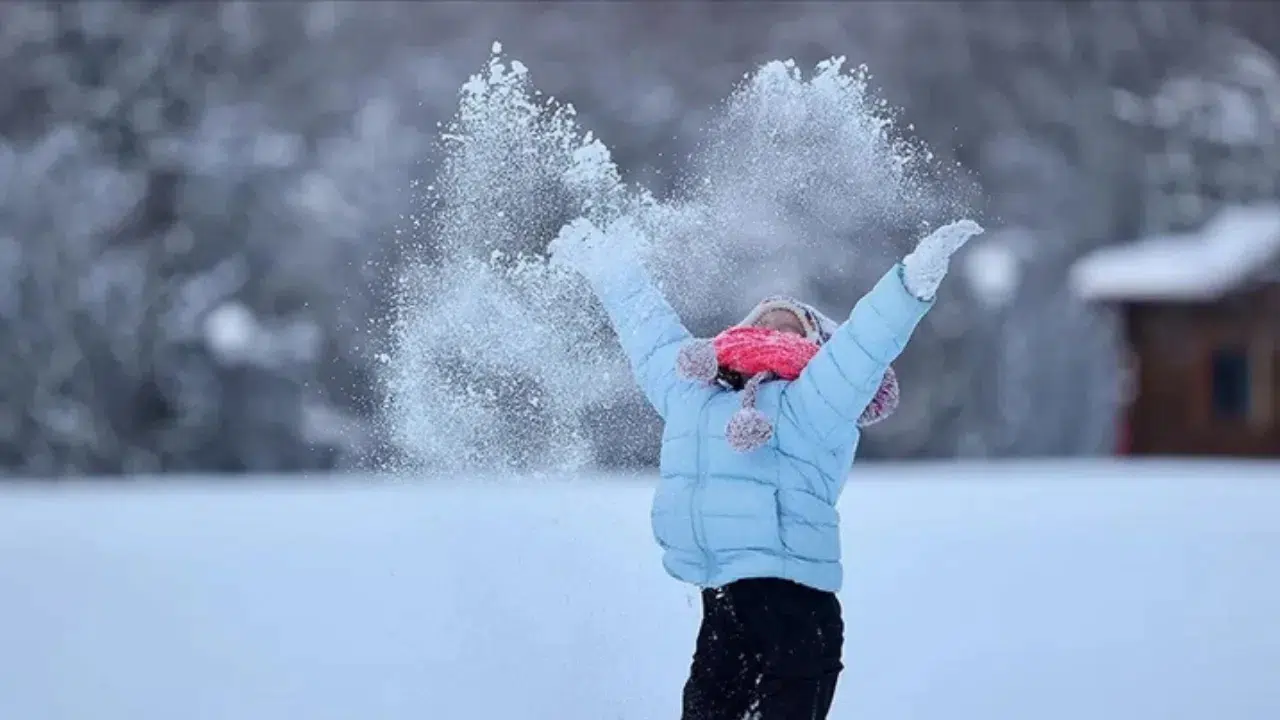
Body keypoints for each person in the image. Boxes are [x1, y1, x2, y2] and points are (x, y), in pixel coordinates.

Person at [550, 213, 983, 720]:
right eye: (763, 320)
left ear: (819, 347)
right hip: (723, 607)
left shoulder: (817, 399)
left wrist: (910, 283)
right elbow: (649, 333)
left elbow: (865, 344)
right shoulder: (693, 392)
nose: (774, 325)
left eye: (792, 324)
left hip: (798, 613)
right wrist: (612, 268)